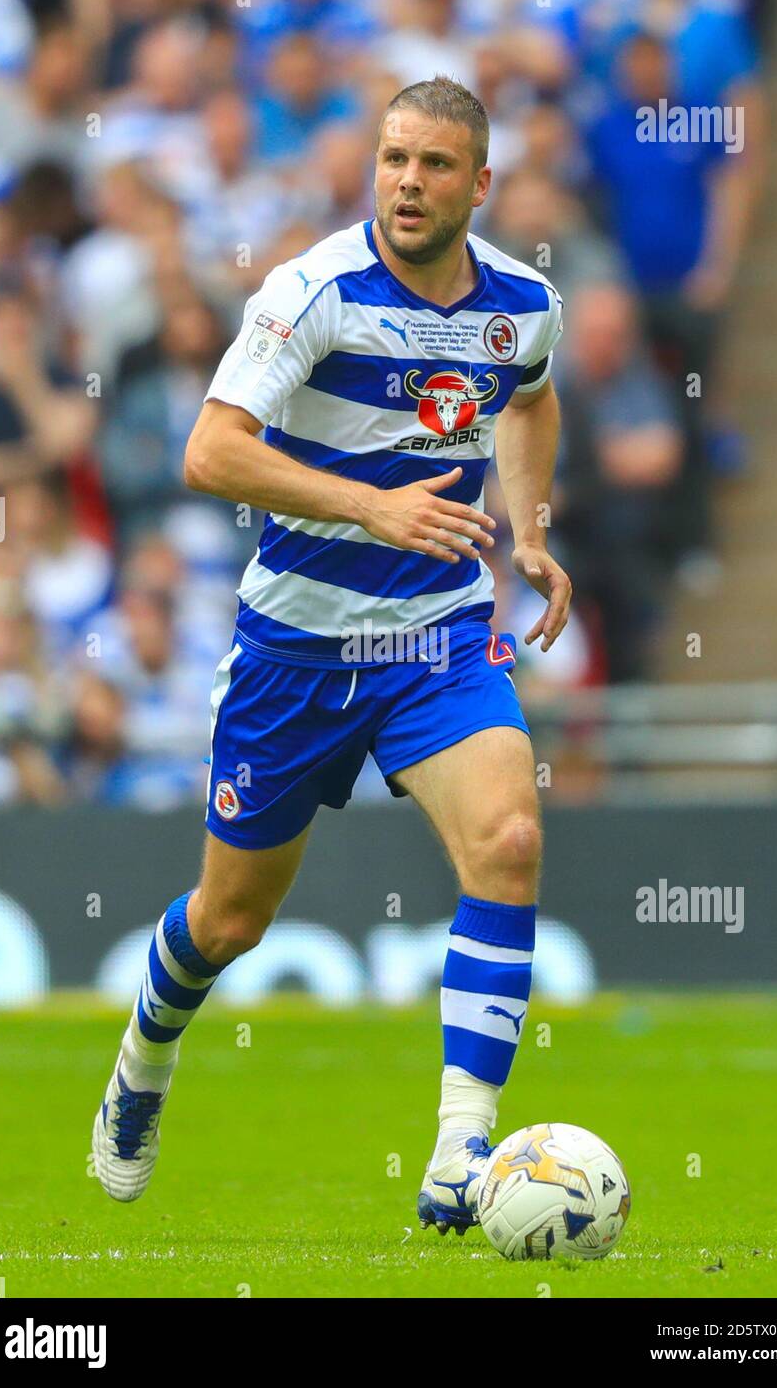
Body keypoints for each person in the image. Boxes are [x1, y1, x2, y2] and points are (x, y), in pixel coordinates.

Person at [90, 76, 572, 1238]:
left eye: (435, 166)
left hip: (436, 635)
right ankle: (145, 1061)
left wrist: (532, 525)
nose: (408, 182)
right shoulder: (310, 294)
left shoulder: (522, 304)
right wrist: (374, 506)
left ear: (479, 184)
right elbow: (211, 452)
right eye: (394, 159)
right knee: (229, 919)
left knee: (508, 837)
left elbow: (530, 398)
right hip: (295, 651)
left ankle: (462, 1147)